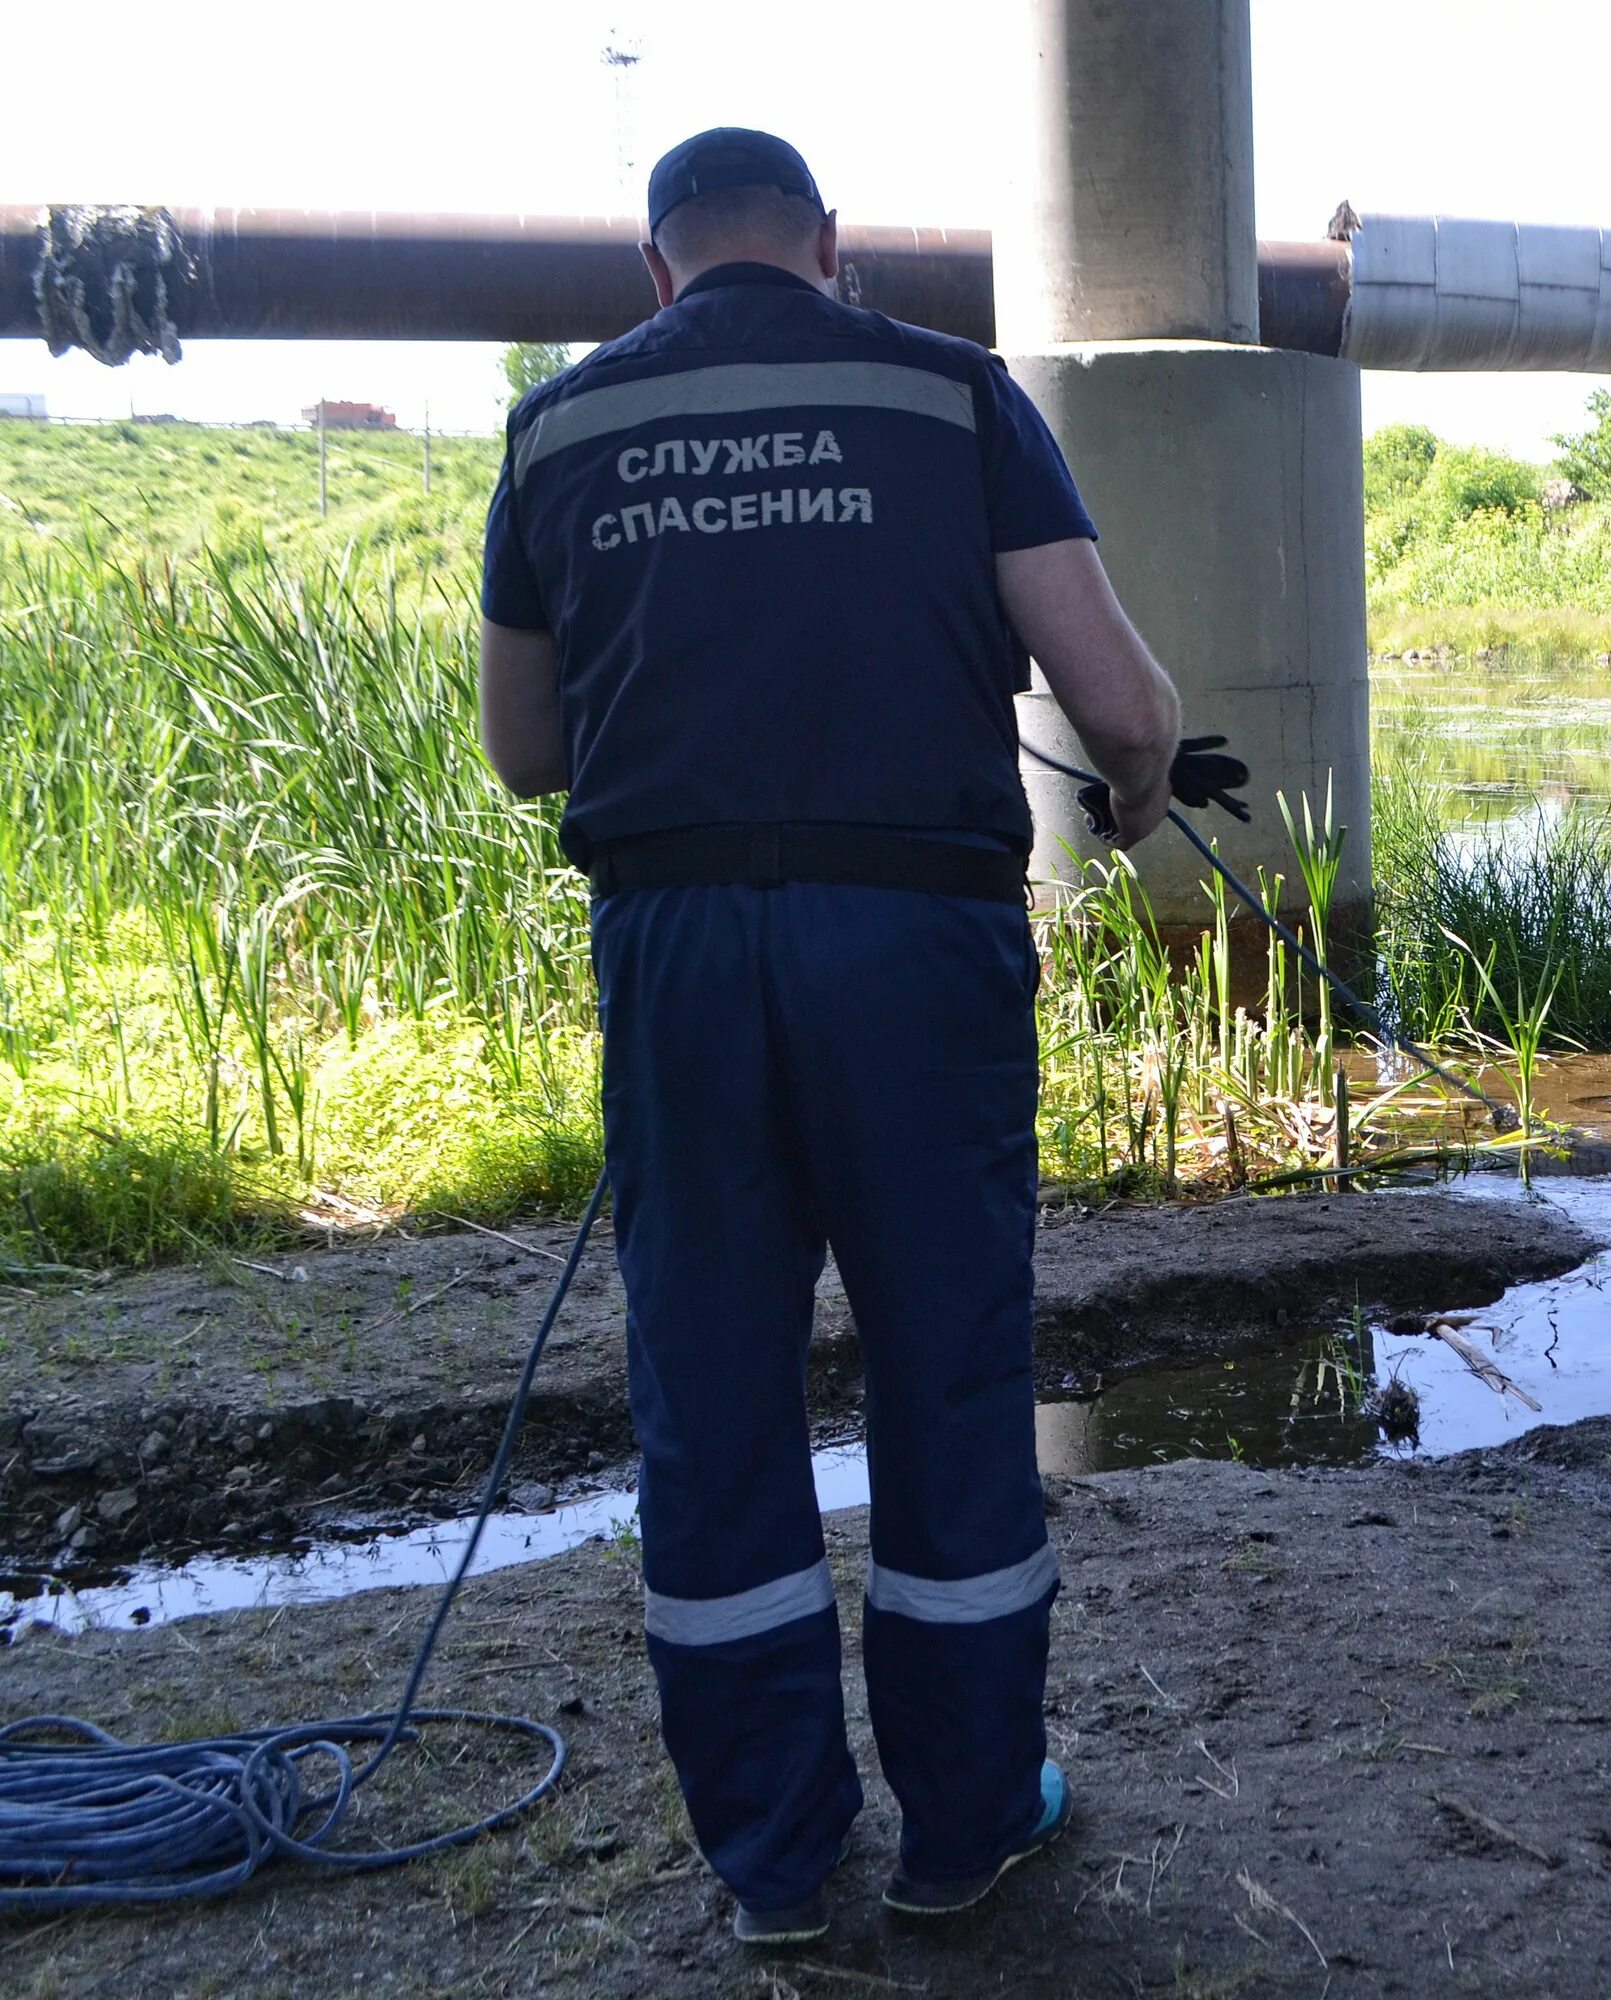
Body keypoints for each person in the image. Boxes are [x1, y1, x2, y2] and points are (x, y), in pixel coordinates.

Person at [475, 128, 1183, 1947]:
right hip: (917, 947)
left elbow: (527, 753)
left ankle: (775, 1865)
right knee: (947, 1372)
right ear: (831, 247)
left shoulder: (558, 429)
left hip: (678, 952)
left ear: (658, 266)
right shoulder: (951, 395)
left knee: (712, 1397)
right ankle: (965, 1826)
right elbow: (1115, 698)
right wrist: (1134, 780)